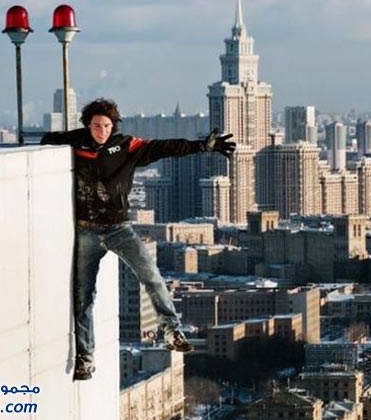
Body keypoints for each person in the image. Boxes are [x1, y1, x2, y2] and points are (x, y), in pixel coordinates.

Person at [40, 98, 235, 381]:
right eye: (96, 126)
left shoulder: (125, 146)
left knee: (151, 276)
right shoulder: (75, 142)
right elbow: (47, 140)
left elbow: (163, 147)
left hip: (119, 229)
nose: (102, 131)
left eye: (107, 126)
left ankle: (172, 331)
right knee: (83, 296)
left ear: (114, 126)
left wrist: (202, 146)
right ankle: (85, 358)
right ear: (87, 125)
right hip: (86, 231)